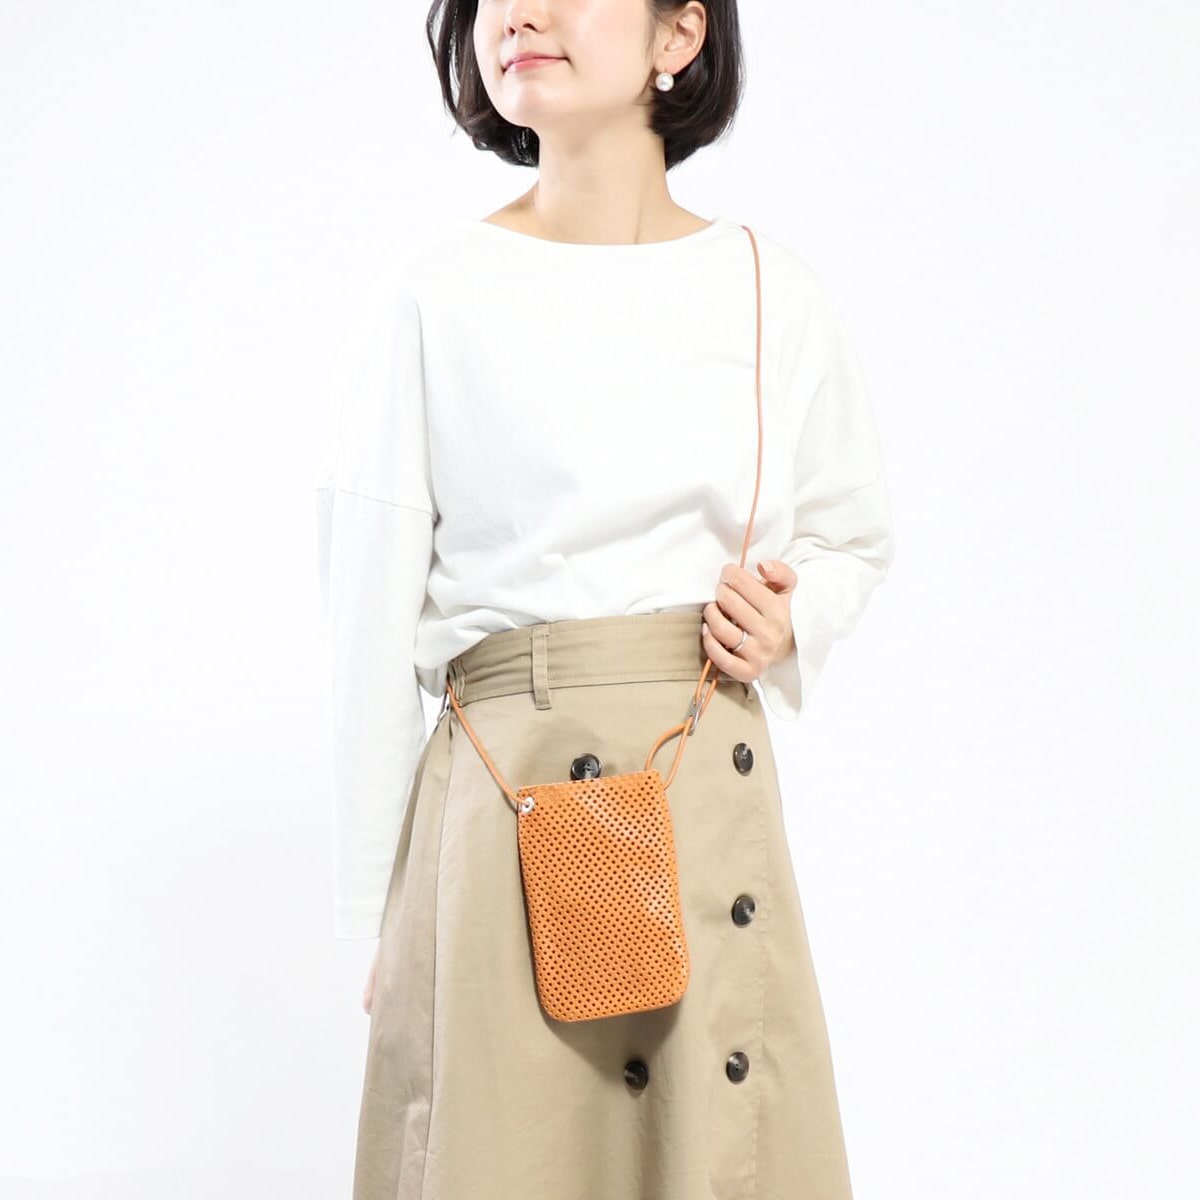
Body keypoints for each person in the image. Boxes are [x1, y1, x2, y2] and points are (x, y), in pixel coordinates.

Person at [314, 2, 896, 1196]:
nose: (517, 15)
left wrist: (791, 617)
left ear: (679, 36)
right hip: (504, 803)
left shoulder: (771, 289)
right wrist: (379, 917)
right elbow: (365, 631)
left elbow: (851, 533)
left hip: (699, 801)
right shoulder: (431, 297)